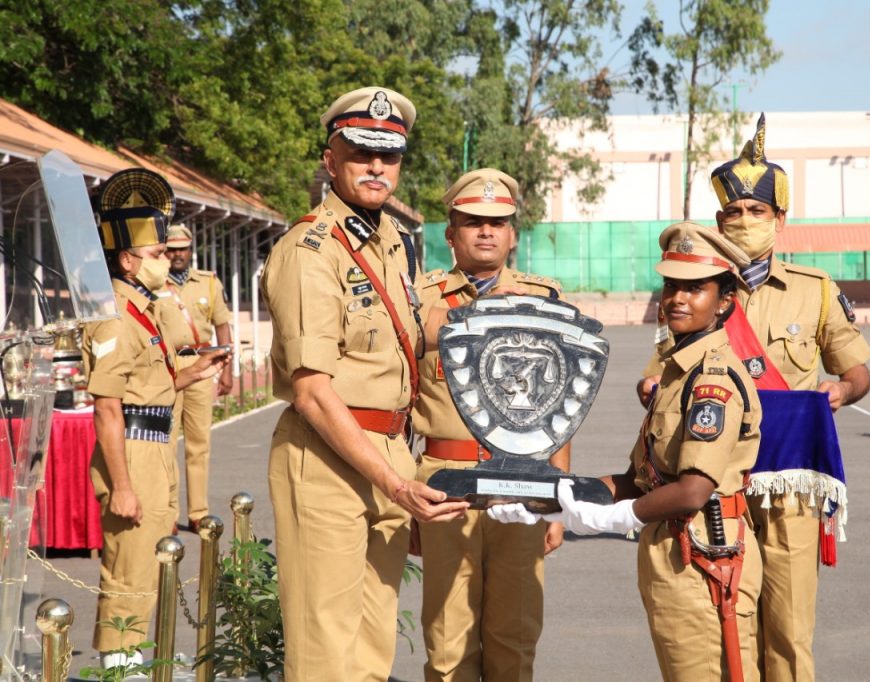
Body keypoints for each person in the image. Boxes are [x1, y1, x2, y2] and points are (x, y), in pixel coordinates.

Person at [641, 115, 870, 682]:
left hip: (788, 491)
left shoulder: (815, 291)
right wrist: (649, 387)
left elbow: (858, 371)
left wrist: (840, 389)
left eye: (756, 212)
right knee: (721, 623)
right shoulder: (696, 287)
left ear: (779, 219)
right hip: (717, 488)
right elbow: (658, 373)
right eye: (732, 213)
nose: (743, 221)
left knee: (788, 632)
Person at [260, 86, 469, 682]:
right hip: (328, 453)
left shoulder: (389, 243)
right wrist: (397, 485)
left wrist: (498, 327)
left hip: (387, 451)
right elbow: (312, 391)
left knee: (373, 643)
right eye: (360, 152)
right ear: (331, 161)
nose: (377, 167)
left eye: (390, 155)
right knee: (326, 646)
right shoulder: (310, 250)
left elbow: (409, 337)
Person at [493, 223, 764, 681]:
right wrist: (548, 499)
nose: (677, 298)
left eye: (695, 289)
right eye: (671, 285)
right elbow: (639, 481)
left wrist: (620, 518)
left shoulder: (711, 380)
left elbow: (693, 490)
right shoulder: (679, 371)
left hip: (705, 556)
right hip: (675, 548)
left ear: (724, 302)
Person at [411, 168, 568, 682]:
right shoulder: (418, 300)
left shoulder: (544, 300)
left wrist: (556, 499)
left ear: (512, 235)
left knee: (515, 635)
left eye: (497, 223)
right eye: (472, 221)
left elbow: (563, 409)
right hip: (444, 484)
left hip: (520, 487)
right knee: (448, 639)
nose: (485, 232)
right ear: (450, 232)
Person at [83, 168, 230, 668]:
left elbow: (152, 386)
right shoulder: (115, 317)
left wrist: (196, 371)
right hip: (133, 452)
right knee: (129, 569)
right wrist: (122, 486)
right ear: (127, 259)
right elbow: (108, 407)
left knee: (152, 563)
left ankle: (143, 661)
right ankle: (118, 668)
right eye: (156, 254)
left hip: (157, 444)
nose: (166, 261)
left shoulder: (144, 310)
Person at [156, 224, 232, 533]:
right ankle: (169, 512)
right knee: (167, 440)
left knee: (199, 443)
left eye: (182, 249)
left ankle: (198, 511)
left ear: (191, 250)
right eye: (171, 249)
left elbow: (222, 325)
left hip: (203, 363)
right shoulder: (154, 283)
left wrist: (227, 368)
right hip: (169, 365)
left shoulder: (209, 283)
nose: (177, 254)